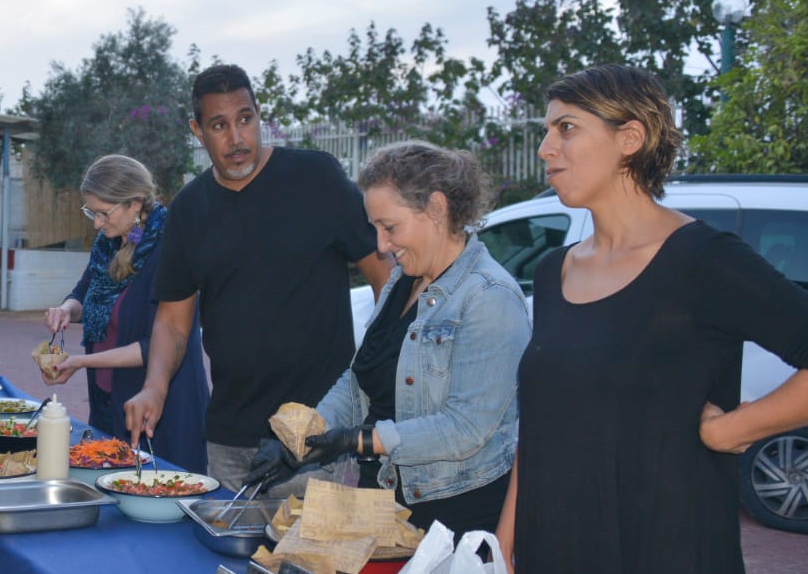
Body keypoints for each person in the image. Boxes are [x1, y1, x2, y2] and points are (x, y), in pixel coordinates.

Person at [497, 64, 808, 574]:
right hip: (557, 557)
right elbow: (539, 428)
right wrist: (506, 549)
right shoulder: (552, 269)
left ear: (630, 138)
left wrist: (732, 429)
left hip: (664, 565)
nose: (545, 148)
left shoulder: (702, 259)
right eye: (547, 131)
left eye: (566, 128)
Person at [123, 63, 392, 490]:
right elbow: (173, 320)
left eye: (245, 119)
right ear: (197, 131)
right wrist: (154, 387)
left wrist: (378, 376)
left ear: (258, 115)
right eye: (219, 125)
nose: (236, 138)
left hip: (318, 437)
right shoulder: (189, 210)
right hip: (230, 443)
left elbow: (386, 279)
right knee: (225, 538)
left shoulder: (316, 179)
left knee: (316, 540)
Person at [244, 142, 528, 538]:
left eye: (389, 227)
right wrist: (306, 438)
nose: (381, 246)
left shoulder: (490, 297)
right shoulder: (401, 281)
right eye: (375, 228)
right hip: (384, 504)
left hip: (451, 521)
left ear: (436, 208)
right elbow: (358, 379)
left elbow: (465, 429)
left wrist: (356, 441)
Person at [43, 154, 211, 472]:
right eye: (91, 212)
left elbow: (153, 346)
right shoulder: (109, 244)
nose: (96, 223)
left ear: (134, 203)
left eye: (103, 213)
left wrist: (79, 362)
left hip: (159, 411)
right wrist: (66, 309)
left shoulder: (169, 250)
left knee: (160, 485)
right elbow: (84, 293)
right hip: (109, 400)